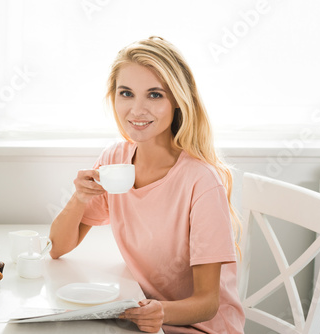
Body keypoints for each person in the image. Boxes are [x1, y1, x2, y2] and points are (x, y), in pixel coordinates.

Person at [49, 36, 245, 334]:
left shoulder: (201, 181)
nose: (137, 110)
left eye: (154, 95)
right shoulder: (115, 159)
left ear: (178, 101)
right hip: (147, 321)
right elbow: (58, 248)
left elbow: (207, 304)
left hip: (198, 328)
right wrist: (78, 198)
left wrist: (158, 312)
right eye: (126, 93)